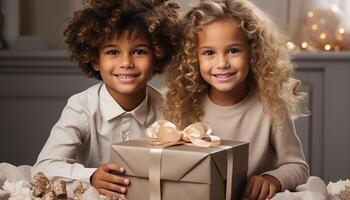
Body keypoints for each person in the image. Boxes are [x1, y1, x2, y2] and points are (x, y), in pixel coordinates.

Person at [32, 0, 179, 198]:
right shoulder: (81, 108)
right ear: (94, 59)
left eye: (139, 51)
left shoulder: (168, 108)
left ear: (157, 55)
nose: (126, 63)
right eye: (112, 52)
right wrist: (91, 176)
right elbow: (43, 168)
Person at [163, 0, 309, 199]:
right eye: (209, 53)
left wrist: (271, 179)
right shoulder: (183, 106)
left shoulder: (271, 106)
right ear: (193, 58)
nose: (222, 63)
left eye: (233, 50)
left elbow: (298, 166)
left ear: (253, 52)